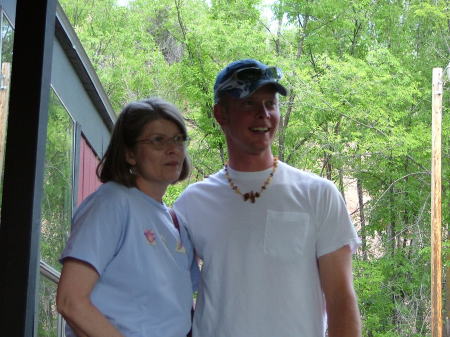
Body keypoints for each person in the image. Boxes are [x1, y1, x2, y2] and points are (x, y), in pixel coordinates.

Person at [173, 59, 362, 337]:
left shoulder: (318, 195)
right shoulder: (192, 203)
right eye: (248, 103)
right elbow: (169, 291)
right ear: (221, 114)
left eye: (270, 104)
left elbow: (341, 300)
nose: (263, 114)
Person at [56, 97, 198, 337]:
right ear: (130, 154)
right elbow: (71, 301)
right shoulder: (111, 203)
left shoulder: (176, 223)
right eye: (157, 140)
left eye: (178, 139)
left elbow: (178, 311)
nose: (173, 149)